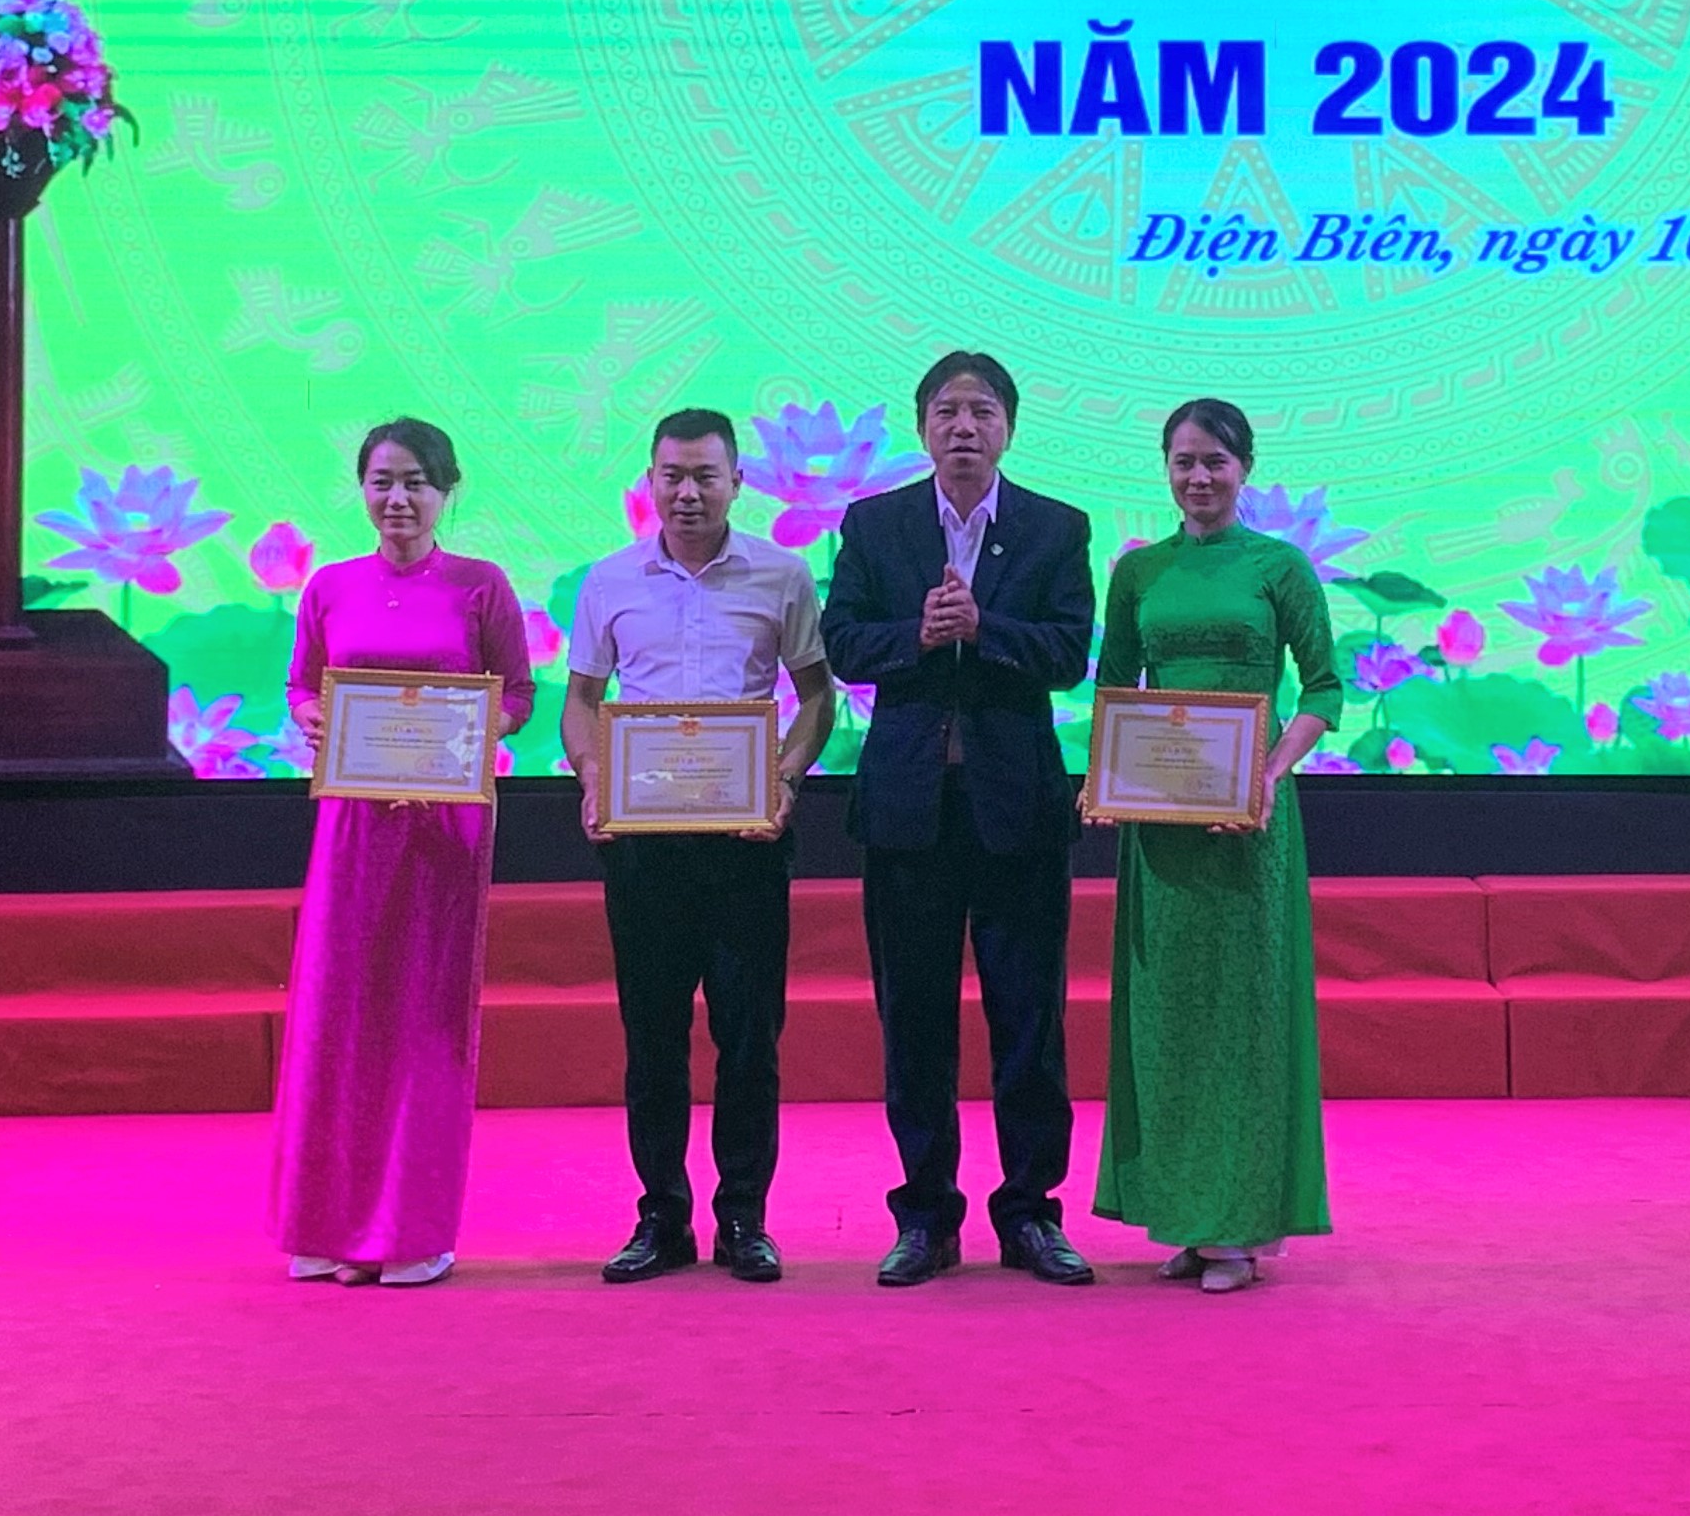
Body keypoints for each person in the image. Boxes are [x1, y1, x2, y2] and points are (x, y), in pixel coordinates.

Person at [823, 349, 1098, 1288]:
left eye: (982, 411)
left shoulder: (1055, 526)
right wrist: (918, 634)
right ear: (922, 426)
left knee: (1030, 1019)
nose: (964, 427)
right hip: (909, 810)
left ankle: (1029, 1213)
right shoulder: (876, 523)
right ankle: (926, 1217)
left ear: (1008, 427)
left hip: (1017, 808)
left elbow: (1068, 652)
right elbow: (843, 642)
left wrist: (983, 628)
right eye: (946, 410)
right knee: (915, 1021)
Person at [562, 407, 839, 1287]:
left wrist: (784, 779)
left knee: (748, 1035)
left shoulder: (782, 573)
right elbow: (581, 699)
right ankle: (661, 1215)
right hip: (643, 843)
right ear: (650, 481)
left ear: (736, 483)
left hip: (744, 842)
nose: (686, 492)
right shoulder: (609, 579)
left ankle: (743, 1216)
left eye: (704, 476)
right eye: (671, 476)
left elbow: (817, 696)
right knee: (652, 1037)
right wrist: (593, 776)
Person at [270, 417, 535, 1286]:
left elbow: (517, 694)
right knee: (337, 1010)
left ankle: (410, 1230)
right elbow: (302, 683)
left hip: (442, 827)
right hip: (352, 825)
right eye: (382, 480)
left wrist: (466, 736)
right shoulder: (330, 584)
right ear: (362, 489)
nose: (398, 498)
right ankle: (325, 1223)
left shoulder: (480, 585)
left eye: (416, 481)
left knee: (423, 1016)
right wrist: (312, 716)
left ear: (446, 490)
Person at [1092, 398, 1341, 1293]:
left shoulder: (1280, 565)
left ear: (1245, 469)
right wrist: (1106, 779)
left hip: (1248, 823)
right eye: (1183, 461)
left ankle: (1236, 1225)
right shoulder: (1137, 569)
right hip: (1162, 825)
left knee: (1242, 1017)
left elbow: (1324, 688)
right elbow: (1116, 684)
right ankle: (1183, 1216)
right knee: (1167, 1017)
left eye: (1215, 462)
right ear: (1165, 468)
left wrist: (1268, 772)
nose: (1198, 476)